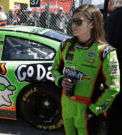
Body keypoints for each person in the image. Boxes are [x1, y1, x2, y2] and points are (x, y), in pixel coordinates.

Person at [51, 4, 120, 135]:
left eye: (78, 21)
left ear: (92, 24)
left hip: (88, 111)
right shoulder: (65, 45)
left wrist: (94, 110)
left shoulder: (105, 52)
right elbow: (54, 70)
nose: (73, 25)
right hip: (67, 107)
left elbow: (113, 87)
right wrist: (60, 81)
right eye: (72, 20)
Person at [104, 6, 122, 135]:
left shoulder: (115, 16)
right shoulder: (116, 16)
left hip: (115, 77)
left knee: (114, 116)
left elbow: (104, 47)